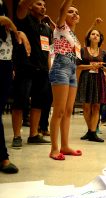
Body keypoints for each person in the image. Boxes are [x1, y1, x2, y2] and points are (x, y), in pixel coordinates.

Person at [11, 0, 52, 148]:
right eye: (39, 4)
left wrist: (49, 71)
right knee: (20, 102)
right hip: (25, 67)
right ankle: (17, 136)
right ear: (30, 6)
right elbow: (21, 6)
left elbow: (47, 52)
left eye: (44, 5)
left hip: (42, 71)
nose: (43, 7)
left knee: (38, 104)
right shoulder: (24, 20)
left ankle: (34, 135)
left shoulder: (47, 29)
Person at [48, 0, 82, 160]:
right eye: (71, 11)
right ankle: (54, 149)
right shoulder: (60, 26)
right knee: (59, 111)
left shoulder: (73, 35)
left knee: (68, 111)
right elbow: (62, 9)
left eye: (76, 12)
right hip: (60, 67)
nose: (74, 13)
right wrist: (67, 5)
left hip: (72, 70)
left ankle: (65, 145)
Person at [0, 1, 30, 172]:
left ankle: (2, 157)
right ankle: (3, 157)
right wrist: (10, 23)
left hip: (4, 62)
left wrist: (17, 32)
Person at [77, 19, 106, 142]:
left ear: (100, 39)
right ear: (89, 37)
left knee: (96, 107)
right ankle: (91, 130)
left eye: (97, 35)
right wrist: (91, 66)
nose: (95, 36)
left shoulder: (104, 52)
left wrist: (100, 66)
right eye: (93, 34)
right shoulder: (83, 50)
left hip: (98, 79)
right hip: (86, 78)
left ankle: (92, 132)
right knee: (86, 107)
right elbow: (78, 66)